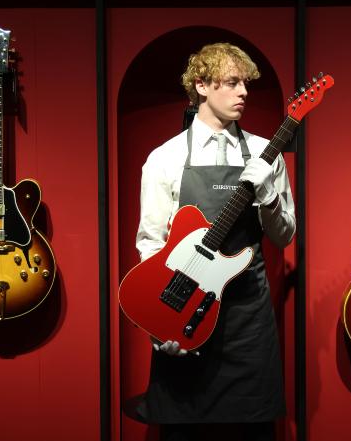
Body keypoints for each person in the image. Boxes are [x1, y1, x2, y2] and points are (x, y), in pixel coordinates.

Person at [134, 42, 295, 441]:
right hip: (186, 314)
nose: (243, 92)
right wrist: (159, 323)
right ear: (201, 86)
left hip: (248, 320)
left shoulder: (263, 153)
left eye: (246, 84)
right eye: (232, 82)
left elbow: (286, 233)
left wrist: (268, 195)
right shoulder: (165, 159)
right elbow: (151, 246)